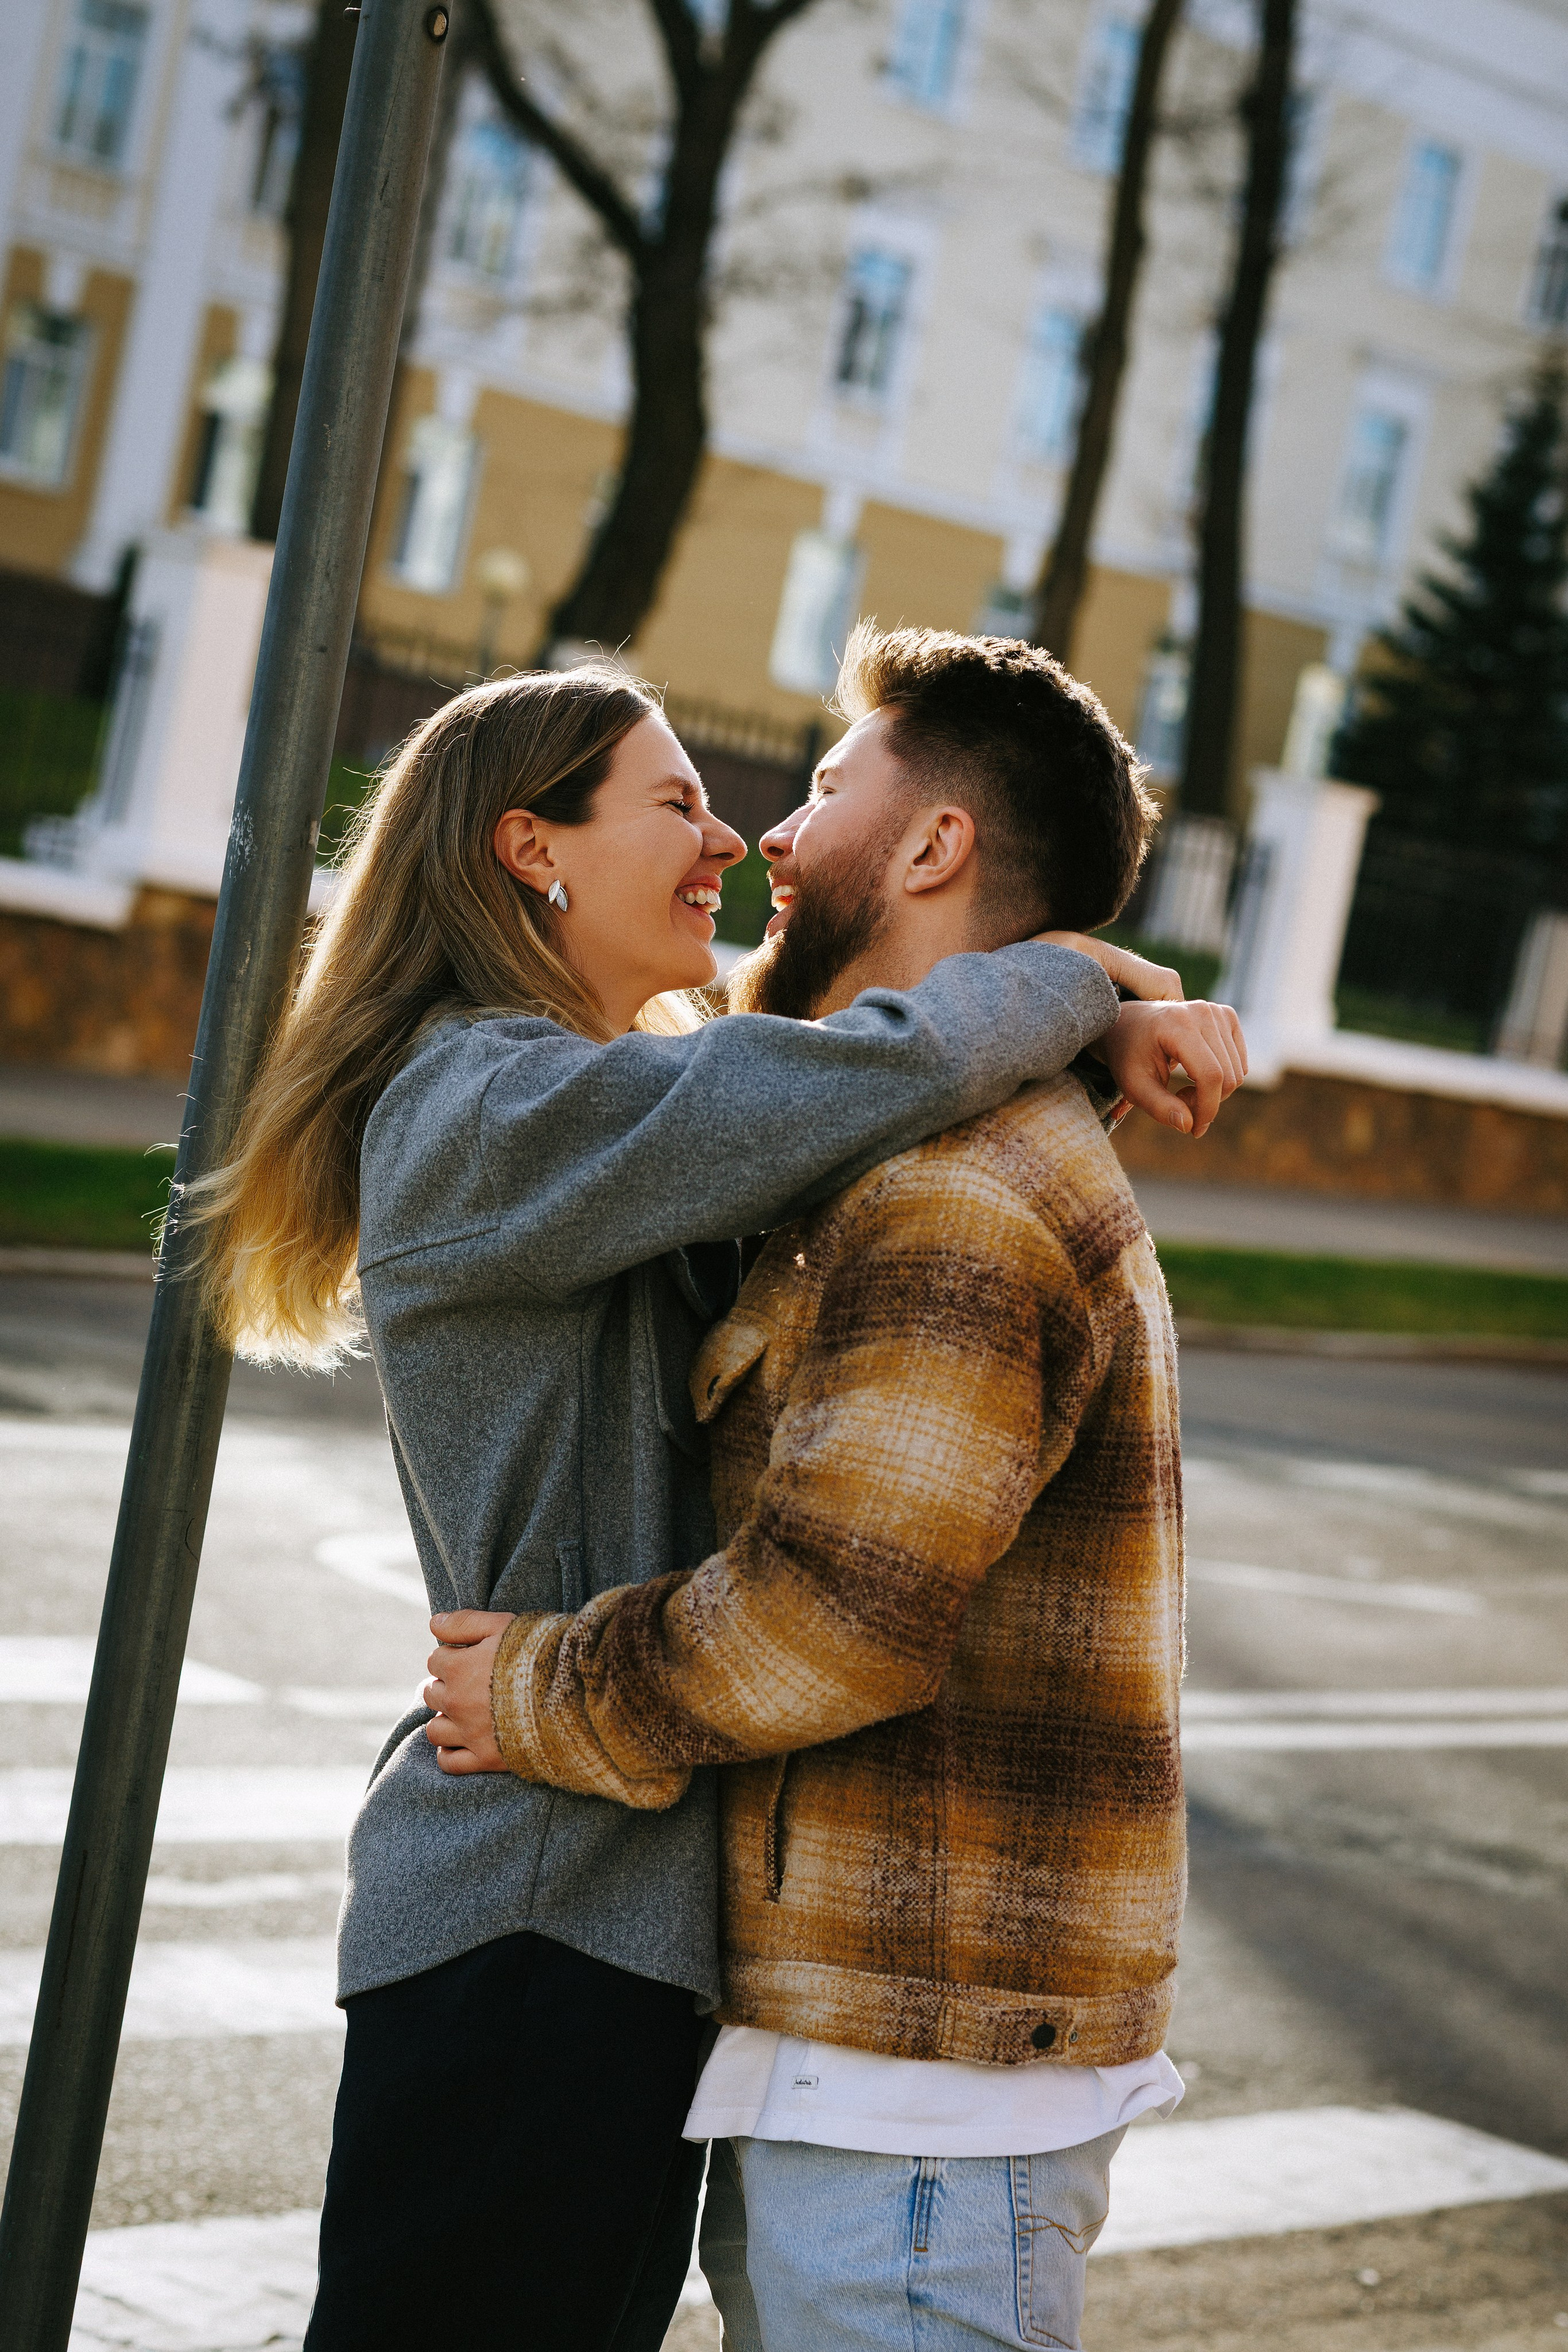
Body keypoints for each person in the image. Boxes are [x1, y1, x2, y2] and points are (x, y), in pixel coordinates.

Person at [423, 627, 1243, 2351]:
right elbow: (761, 1078)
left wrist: (538, 1689)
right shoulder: (878, 1147)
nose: (766, 839)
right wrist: (1109, 987)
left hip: (918, 2109)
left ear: (936, 848)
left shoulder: (958, 1192)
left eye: (818, 790)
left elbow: (832, 1622)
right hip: (867, 2069)